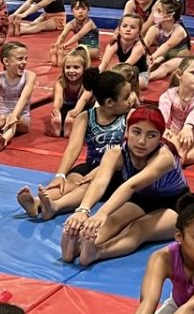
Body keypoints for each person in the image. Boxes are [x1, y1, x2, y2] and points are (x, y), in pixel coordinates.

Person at [60, 104, 189, 266]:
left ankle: (97, 252)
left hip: (175, 203)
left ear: (160, 138)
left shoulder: (164, 157)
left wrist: (101, 212)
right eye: (136, 132)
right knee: (112, 221)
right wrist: (83, 210)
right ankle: (75, 248)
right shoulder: (116, 153)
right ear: (127, 131)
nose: (142, 141)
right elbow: (100, 182)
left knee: (138, 228)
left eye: (151, 135)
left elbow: (131, 186)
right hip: (143, 198)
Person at [17, 70, 136, 220]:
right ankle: (36, 203)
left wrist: (98, 172)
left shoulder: (130, 116)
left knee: (87, 185)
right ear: (109, 102)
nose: (131, 99)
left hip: (117, 170)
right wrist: (60, 175)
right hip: (92, 164)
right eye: (126, 97)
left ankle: (56, 207)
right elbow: (73, 148)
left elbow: (125, 151)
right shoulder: (86, 116)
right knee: (72, 180)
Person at [156, 55, 194, 166]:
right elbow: (163, 113)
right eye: (193, 73)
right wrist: (162, 128)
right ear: (179, 74)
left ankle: (172, 165)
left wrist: (188, 127)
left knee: (191, 155)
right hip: (176, 130)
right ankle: (166, 161)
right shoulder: (167, 95)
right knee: (166, 145)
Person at [0, 42, 34, 149]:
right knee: (0, 118)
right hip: (4, 116)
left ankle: (4, 139)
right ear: (6, 61)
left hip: (22, 119)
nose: (24, 62)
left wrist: (14, 116)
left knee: (11, 118)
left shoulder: (30, 76)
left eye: (26, 59)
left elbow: (24, 98)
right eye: (20, 59)